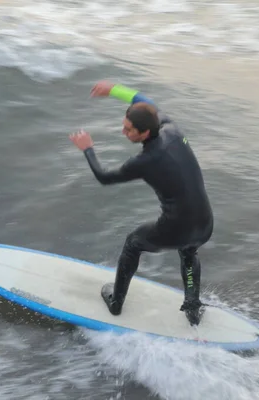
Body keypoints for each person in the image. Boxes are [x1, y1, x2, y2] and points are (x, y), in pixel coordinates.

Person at [68, 80, 214, 326]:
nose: (123, 132)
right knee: (189, 251)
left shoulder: (145, 161)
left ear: (145, 133)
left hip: (177, 228)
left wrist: (88, 149)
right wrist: (113, 89)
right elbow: (143, 100)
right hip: (206, 224)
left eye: (129, 130)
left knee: (133, 243)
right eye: (124, 126)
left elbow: (104, 177)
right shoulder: (171, 128)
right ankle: (192, 307)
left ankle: (116, 303)